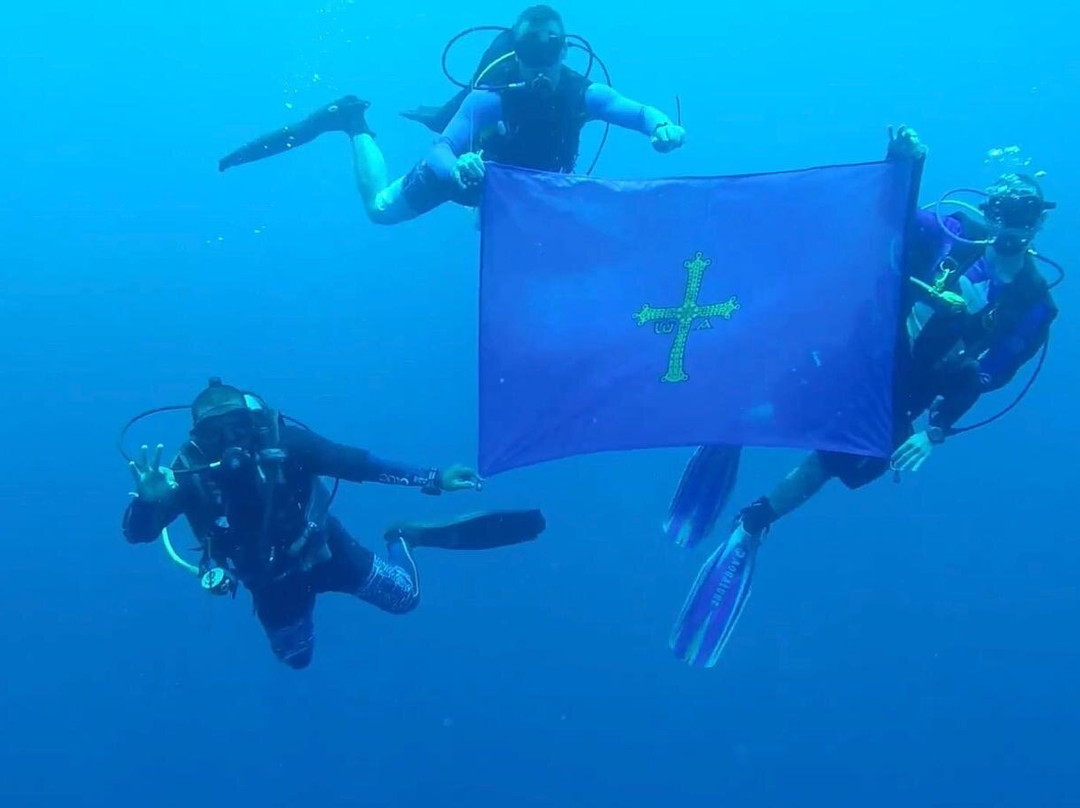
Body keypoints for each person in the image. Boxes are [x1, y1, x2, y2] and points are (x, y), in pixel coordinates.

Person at [669, 127, 1060, 667]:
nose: (1010, 225)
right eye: (1002, 211)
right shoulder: (952, 233)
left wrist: (937, 429)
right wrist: (901, 165)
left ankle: (752, 524)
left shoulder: (1033, 302)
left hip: (913, 386)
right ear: (989, 209)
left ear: (1040, 221)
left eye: (1023, 216)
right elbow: (889, 219)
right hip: (867, 345)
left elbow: (993, 373)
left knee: (839, 459)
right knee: (798, 402)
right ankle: (734, 429)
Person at [122, 378, 545, 670]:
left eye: (238, 427)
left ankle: (404, 536)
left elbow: (358, 464)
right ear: (198, 436)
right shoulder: (185, 474)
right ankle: (392, 544)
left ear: (254, 424)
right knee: (296, 660)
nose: (230, 442)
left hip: (327, 552)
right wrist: (147, 501)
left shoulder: (286, 445)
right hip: (269, 583)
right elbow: (137, 533)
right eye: (216, 433)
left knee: (406, 598)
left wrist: (433, 477)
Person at [218, 6, 687, 225]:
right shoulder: (491, 97)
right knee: (380, 211)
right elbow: (441, 146)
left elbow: (637, 110)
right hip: (471, 179)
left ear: (564, 50)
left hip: (526, 189)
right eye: (530, 51)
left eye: (551, 52)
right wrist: (458, 166)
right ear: (517, 53)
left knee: (498, 230)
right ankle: (352, 124)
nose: (541, 66)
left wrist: (662, 127)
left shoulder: (586, 94)